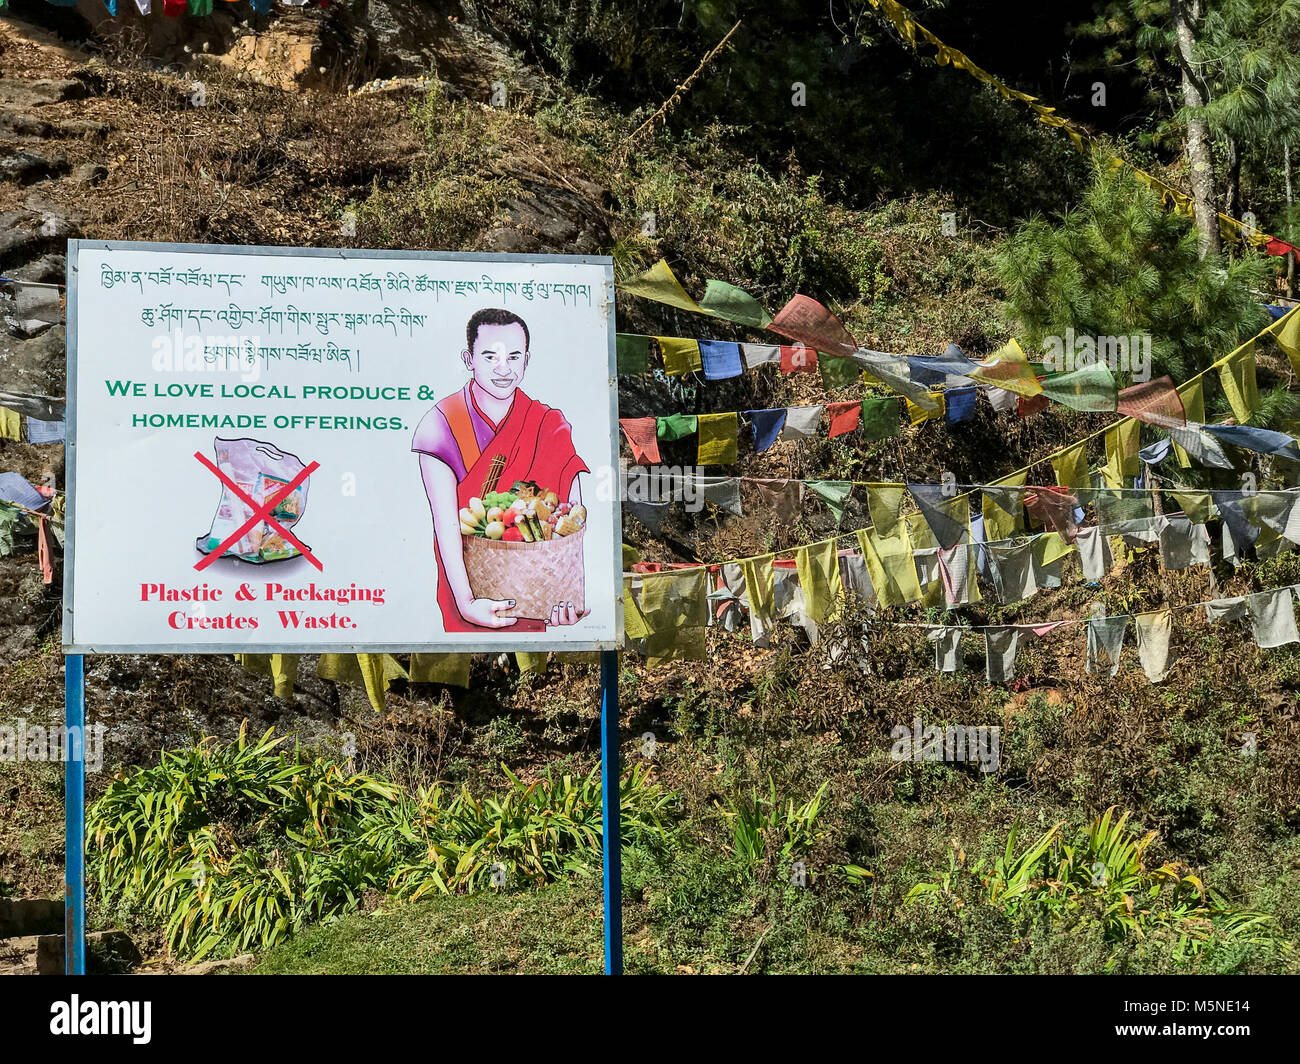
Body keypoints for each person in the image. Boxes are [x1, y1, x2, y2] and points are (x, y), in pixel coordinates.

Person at [413, 308, 589, 632]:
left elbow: (571, 522)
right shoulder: (441, 424)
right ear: (469, 359)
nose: (503, 369)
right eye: (490, 356)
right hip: (469, 594)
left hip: (538, 596)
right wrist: (466, 604)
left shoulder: (548, 425)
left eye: (513, 356)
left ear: (527, 359)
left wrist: (568, 592)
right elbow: (446, 523)